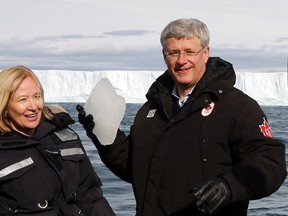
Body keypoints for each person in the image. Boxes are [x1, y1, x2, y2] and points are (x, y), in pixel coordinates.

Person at [77, 18, 287, 216]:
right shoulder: (150, 111)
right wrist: (106, 136)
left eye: (189, 52)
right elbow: (135, 169)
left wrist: (229, 185)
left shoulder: (237, 107)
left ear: (205, 53)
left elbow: (270, 162)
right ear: (164, 55)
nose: (181, 61)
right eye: (173, 53)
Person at [0, 66, 115, 215]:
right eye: (22, 100)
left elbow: (89, 194)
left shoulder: (65, 137)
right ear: (5, 105)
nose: (34, 106)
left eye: (37, 96)